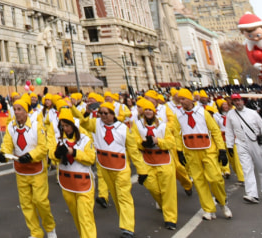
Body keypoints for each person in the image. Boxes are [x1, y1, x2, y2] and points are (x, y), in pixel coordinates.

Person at [0, 98, 55, 238]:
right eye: (14, 109)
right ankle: (35, 232)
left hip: (37, 170)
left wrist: (30, 155)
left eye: (19, 109)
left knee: (41, 201)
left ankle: (50, 229)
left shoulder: (37, 126)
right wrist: (4, 155)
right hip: (21, 170)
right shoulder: (11, 127)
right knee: (26, 203)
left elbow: (43, 147)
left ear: (26, 111)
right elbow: (7, 144)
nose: (16, 112)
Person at [172, 88, 231, 221]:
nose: (181, 102)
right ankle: (208, 209)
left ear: (190, 99)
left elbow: (215, 130)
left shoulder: (203, 113)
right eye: (179, 99)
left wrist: (221, 150)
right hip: (190, 151)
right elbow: (177, 134)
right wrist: (180, 151)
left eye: (183, 99)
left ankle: (223, 203)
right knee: (199, 181)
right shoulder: (178, 115)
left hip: (207, 150)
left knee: (215, 178)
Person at [129, 98, 179, 231]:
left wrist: (157, 141)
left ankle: (170, 218)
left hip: (164, 162)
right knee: (153, 188)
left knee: (168, 192)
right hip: (148, 162)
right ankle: (165, 207)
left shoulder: (163, 125)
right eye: (146, 110)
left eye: (150, 109)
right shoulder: (137, 124)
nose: (148, 112)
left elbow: (170, 142)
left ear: (154, 111)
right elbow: (133, 140)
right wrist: (142, 143)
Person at [93, 102, 136, 238]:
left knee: (124, 196)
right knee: (117, 197)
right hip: (105, 165)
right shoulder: (96, 124)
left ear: (113, 114)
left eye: (106, 113)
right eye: (101, 113)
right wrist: (85, 111)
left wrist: (142, 170)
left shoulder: (123, 128)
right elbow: (83, 123)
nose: (103, 116)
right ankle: (125, 222)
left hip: (121, 168)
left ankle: (128, 228)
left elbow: (133, 151)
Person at [52, 107, 96, 238]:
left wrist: (74, 152)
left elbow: (91, 159)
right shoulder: (59, 139)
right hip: (67, 184)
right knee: (76, 216)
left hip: (84, 183)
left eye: (67, 125)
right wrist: (56, 155)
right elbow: (52, 157)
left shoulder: (85, 139)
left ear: (73, 125)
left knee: (85, 217)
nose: (65, 128)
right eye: (63, 126)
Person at [226, 94, 262, 204]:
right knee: (247, 169)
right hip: (241, 143)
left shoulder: (252, 113)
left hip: (255, 142)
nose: (237, 103)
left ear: (242, 101)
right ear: (233, 102)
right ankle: (252, 194)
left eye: (239, 100)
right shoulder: (230, 114)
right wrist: (229, 145)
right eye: (235, 101)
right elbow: (229, 130)